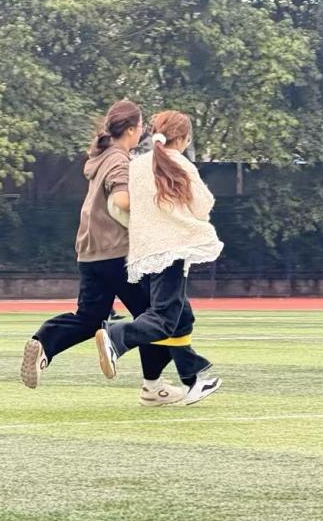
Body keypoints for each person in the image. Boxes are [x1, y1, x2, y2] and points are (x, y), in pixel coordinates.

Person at [21, 100, 184, 406]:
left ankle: (44, 343)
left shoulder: (101, 158)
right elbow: (121, 201)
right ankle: (152, 386)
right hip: (117, 253)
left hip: (90, 253)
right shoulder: (119, 161)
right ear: (132, 129)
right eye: (141, 127)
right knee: (159, 314)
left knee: (89, 317)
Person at [95, 110, 223, 405]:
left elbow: (121, 205)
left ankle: (190, 380)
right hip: (171, 251)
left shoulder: (137, 165)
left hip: (142, 254)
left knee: (182, 317)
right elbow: (203, 206)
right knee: (164, 319)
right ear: (184, 138)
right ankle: (116, 336)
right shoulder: (181, 164)